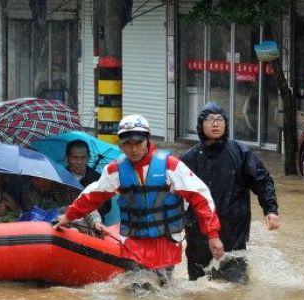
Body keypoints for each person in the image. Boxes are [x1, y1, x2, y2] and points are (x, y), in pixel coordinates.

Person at [54, 114, 224, 285]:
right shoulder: (115, 171)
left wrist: (213, 235)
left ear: (147, 140)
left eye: (138, 143)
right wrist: (68, 217)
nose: (133, 149)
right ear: (121, 144)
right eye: (127, 144)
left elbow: (200, 196)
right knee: (136, 293)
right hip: (133, 244)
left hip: (165, 243)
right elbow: (92, 196)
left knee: (163, 295)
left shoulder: (170, 166)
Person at [180, 102, 280, 282]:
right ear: (201, 125)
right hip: (198, 234)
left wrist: (270, 210)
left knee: (235, 288)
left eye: (220, 119)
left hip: (233, 232)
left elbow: (262, 180)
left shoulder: (241, 153)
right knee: (198, 290)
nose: (215, 124)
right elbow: (174, 194)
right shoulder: (189, 158)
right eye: (210, 120)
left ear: (226, 124)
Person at [64, 139, 111, 219]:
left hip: (91, 224)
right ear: (67, 158)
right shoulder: (61, 175)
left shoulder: (99, 179)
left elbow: (106, 207)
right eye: (75, 157)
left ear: (88, 158)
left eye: (83, 157)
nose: (79, 162)